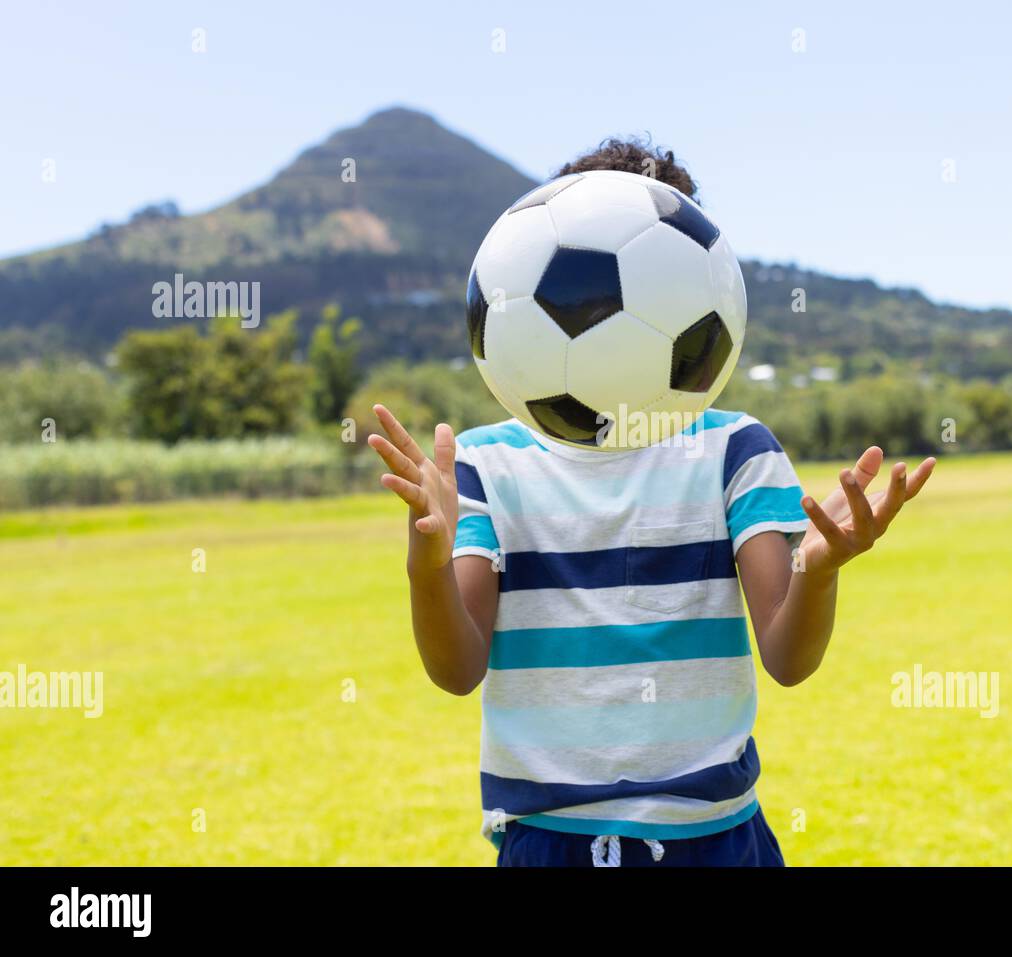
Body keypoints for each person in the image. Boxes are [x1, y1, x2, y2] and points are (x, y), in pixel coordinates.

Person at [368, 138, 936, 866]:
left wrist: (818, 572)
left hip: (717, 837)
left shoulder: (738, 449)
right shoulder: (483, 462)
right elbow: (457, 669)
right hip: (550, 839)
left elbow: (789, 659)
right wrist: (429, 562)